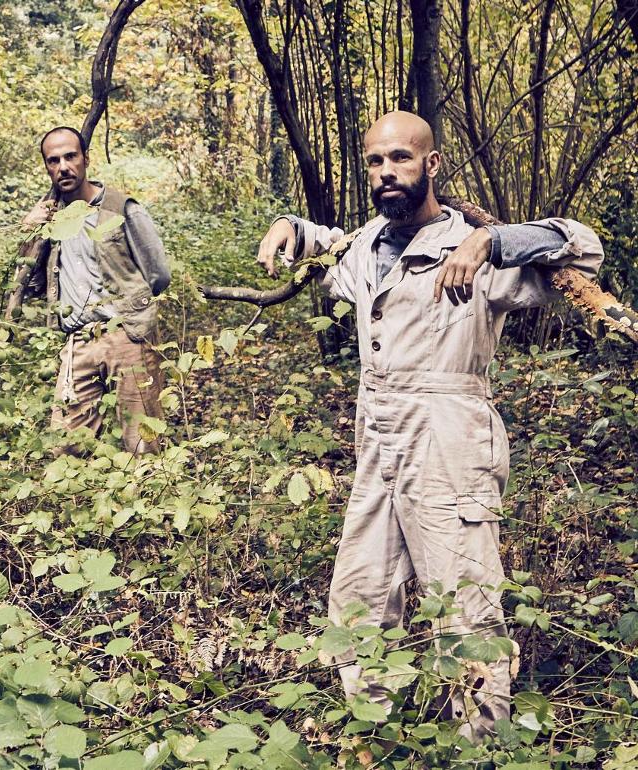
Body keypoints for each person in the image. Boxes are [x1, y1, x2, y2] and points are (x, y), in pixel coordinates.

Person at [256, 111, 604, 740]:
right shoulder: (366, 245)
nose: (387, 172)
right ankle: (372, 734)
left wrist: (487, 242)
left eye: (401, 158)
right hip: (377, 439)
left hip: (449, 436)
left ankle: (480, 746)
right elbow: (330, 245)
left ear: (432, 164)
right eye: (375, 162)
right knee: (359, 598)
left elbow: (583, 245)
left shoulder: (474, 247)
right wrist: (291, 226)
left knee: (466, 606)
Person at [16, 126, 171, 454]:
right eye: (53, 160)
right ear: (46, 167)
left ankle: (152, 500)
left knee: (144, 442)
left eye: (71, 156)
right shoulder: (50, 217)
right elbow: (29, 285)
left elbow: (158, 274)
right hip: (78, 342)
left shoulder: (119, 207)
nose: (63, 167)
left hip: (127, 336)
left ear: (86, 158)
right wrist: (30, 232)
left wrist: (131, 310)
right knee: (67, 445)